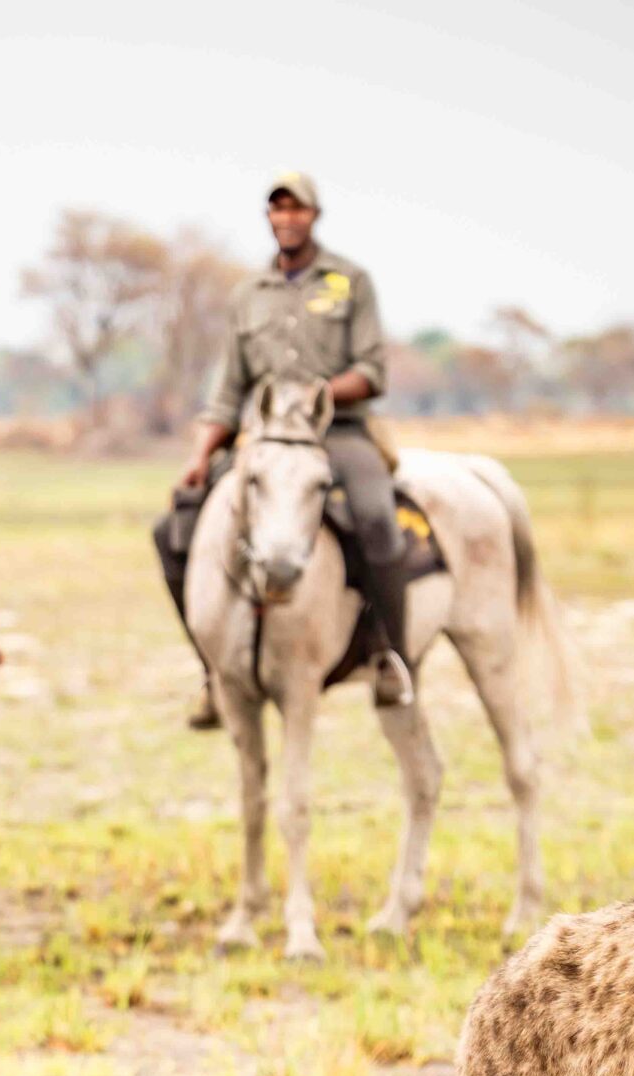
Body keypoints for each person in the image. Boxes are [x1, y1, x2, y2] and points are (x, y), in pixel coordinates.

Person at [156, 171, 415, 729]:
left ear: (314, 216)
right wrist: (201, 454)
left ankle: (389, 654)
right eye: (278, 210)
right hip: (266, 439)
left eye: (297, 209)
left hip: (338, 432)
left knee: (375, 518)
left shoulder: (350, 281)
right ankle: (212, 670)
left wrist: (320, 392)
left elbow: (373, 371)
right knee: (174, 526)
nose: (288, 219)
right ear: (269, 218)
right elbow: (229, 389)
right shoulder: (249, 295)